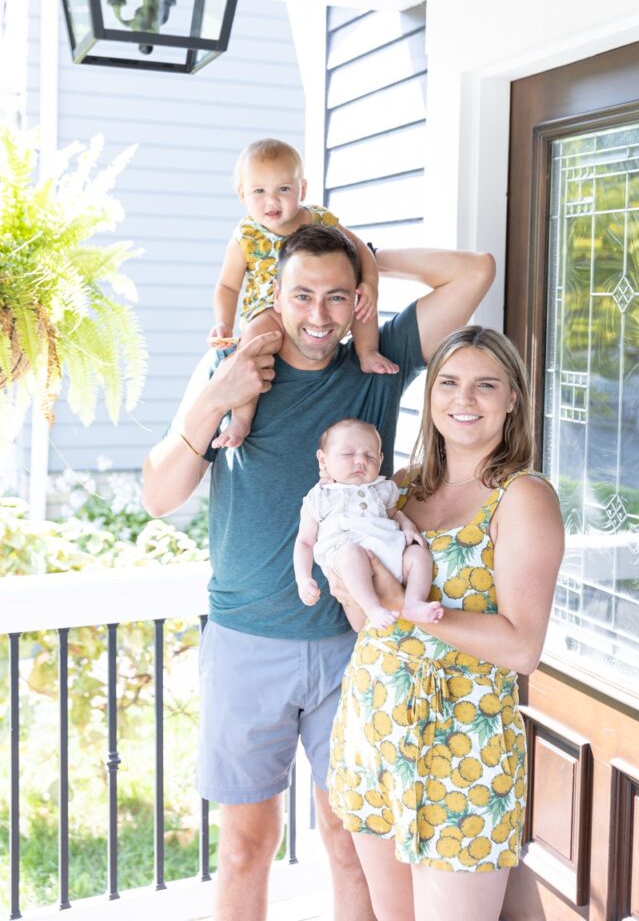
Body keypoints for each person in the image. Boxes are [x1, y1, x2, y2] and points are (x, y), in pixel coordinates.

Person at [142, 226, 495, 921]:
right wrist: (220, 395)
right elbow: (159, 496)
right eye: (301, 294)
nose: (318, 315)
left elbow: (473, 274)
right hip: (249, 642)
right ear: (272, 295)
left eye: (338, 297)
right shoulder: (233, 366)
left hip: (351, 647)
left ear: (359, 301)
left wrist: (371, 261)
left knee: (351, 839)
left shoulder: (378, 360)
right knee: (247, 846)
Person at [327, 326, 565, 921]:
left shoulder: (522, 497)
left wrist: (410, 608)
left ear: (513, 398)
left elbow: (520, 648)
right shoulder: (399, 489)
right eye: (450, 383)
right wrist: (351, 587)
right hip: (375, 725)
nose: (465, 399)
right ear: (431, 395)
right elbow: (369, 624)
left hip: (467, 741)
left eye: (486, 385)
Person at [209, 137, 397, 449]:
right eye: (259, 191)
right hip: (268, 310)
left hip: (318, 300)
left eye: (283, 189)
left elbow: (360, 249)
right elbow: (227, 286)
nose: (272, 201)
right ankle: (241, 417)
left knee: (359, 299)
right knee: (252, 344)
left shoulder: (319, 219)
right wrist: (223, 323)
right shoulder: (246, 236)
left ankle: (367, 353)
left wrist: (371, 283)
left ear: (302, 190)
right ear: (242, 195)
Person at [294, 418, 444, 629]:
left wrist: (408, 526)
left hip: (391, 552)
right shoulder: (319, 497)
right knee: (351, 553)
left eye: (370, 456)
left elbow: (394, 513)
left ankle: (413, 602)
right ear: (323, 460)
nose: (360, 461)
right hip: (348, 560)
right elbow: (304, 542)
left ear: (381, 459)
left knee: (419, 555)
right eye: (348, 454)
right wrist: (303, 578)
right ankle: (372, 607)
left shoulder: (383, 488)